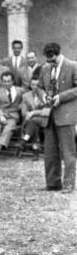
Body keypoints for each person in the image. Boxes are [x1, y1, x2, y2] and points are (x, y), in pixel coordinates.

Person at [39, 42, 77, 192]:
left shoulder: (73, 66)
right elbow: (39, 87)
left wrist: (60, 97)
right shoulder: (45, 68)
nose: (50, 63)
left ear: (59, 54)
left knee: (68, 152)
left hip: (66, 114)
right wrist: (44, 97)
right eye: (48, 61)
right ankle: (52, 183)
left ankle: (68, 184)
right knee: (49, 151)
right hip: (49, 114)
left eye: (53, 60)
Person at [0, 71, 25, 160]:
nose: (6, 83)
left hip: (12, 116)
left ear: (13, 81)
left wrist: (21, 106)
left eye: (9, 81)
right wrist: (1, 116)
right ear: (2, 82)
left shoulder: (20, 91)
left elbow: (26, 101)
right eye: (4, 81)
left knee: (8, 129)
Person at [18, 76, 49, 159]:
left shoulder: (45, 95)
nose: (35, 87)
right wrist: (31, 114)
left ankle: (25, 140)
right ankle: (35, 149)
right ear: (30, 85)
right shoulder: (26, 96)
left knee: (32, 121)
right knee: (33, 123)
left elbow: (48, 111)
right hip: (31, 120)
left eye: (37, 85)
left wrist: (33, 112)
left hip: (44, 119)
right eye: (33, 85)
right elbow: (24, 112)